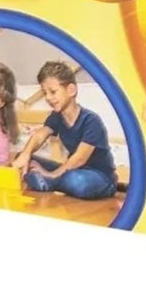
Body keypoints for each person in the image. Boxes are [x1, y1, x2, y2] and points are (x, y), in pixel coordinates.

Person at [14, 61, 117, 199]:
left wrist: (51, 175)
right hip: (72, 169)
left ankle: (48, 181)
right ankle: (49, 180)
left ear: (71, 90)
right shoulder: (56, 116)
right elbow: (40, 135)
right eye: (45, 93)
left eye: (53, 92)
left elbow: (79, 159)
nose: (48, 98)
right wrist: (26, 154)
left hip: (99, 177)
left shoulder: (91, 120)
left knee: (77, 181)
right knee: (21, 157)